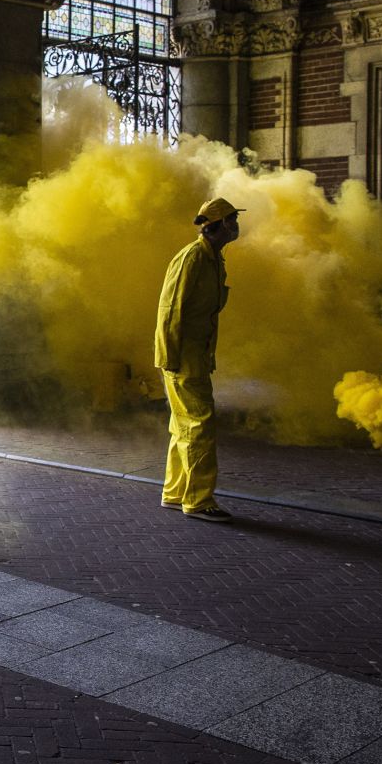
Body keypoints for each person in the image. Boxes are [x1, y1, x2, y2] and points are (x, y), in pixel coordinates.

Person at [154, 196, 243, 523]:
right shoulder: (192, 258)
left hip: (194, 354)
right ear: (217, 227)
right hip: (183, 357)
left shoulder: (212, 259)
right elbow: (170, 311)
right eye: (232, 221)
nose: (237, 227)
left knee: (183, 425)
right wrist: (170, 357)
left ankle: (176, 493)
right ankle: (199, 500)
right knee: (200, 424)